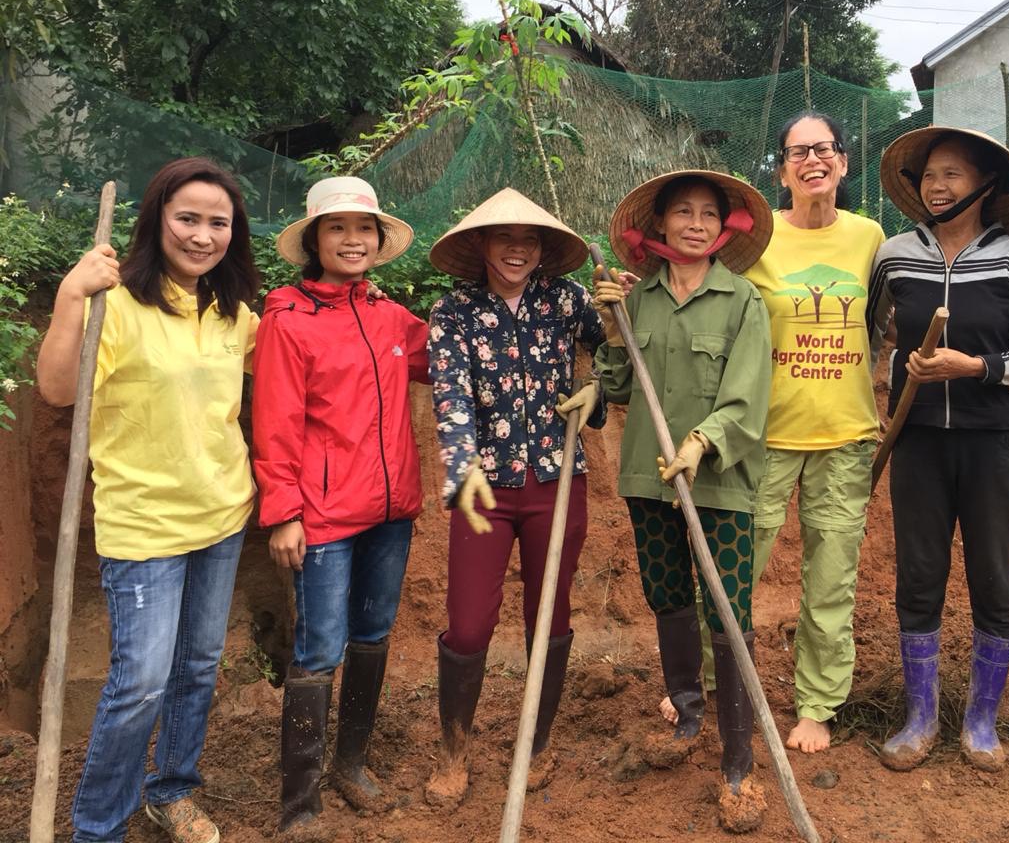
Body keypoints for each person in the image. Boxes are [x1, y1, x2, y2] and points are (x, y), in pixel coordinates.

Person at [36, 158, 260, 843]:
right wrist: (72, 295)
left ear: (234, 232)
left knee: (197, 667)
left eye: (217, 222)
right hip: (143, 524)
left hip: (222, 513)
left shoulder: (234, 313)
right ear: (157, 220)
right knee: (139, 684)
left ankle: (172, 792)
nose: (202, 235)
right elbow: (56, 389)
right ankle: (99, 827)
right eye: (187, 219)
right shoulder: (115, 303)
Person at [868, 128, 1009, 771]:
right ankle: (920, 717)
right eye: (929, 176)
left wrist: (974, 366)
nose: (938, 186)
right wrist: (884, 390)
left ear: (985, 184)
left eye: (952, 174)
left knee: (993, 576)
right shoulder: (894, 256)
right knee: (918, 576)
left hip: (992, 443)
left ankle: (980, 719)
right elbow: (868, 334)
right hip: (916, 439)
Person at [593, 171, 773, 829]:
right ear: (661, 226)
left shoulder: (742, 301)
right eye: (682, 213)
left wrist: (701, 443)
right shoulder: (638, 300)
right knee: (667, 594)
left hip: (719, 483)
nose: (695, 223)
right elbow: (617, 387)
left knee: (729, 611)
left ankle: (738, 761)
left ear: (724, 228)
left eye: (707, 214)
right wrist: (612, 325)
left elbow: (749, 398)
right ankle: (687, 717)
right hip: (648, 476)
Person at [251, 177, 429, 832]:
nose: (353, 240)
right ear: (315, 241)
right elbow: (274, 422)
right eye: (338, 229)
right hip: (321, 519)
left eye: (364, 229)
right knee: (321, 647)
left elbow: (451, 357)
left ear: (379, 242)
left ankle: (350, 764)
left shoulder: (389, 316)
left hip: (390, 513)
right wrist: (284, 513)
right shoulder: (287, 319)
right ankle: (300, 803)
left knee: (373, 634)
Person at [423, 188, 605, 807]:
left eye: (529, 240)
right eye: (504, 238)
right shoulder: (453, 311)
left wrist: (599, 384)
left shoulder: (566, 299)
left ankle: (539, 741)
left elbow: (623, 346)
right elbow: (448, 394)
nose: (517, 250)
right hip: (486, 489)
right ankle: (454, 749)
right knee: (469, 624)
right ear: (481, 244)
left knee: (548, 614)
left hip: (558, 481)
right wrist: (462, 463)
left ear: (543, 249)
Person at [736, 112, 886, 754]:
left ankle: (818, 705)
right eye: (798, 152)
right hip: (765, 436)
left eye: (823, 149)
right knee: (736, 564)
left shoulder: (871, 236)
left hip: (846, 437)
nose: (812, 160)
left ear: (843, 163)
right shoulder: (758, 241)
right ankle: (712, 678)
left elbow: (884, 316)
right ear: (782, 171)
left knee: (831, 579)